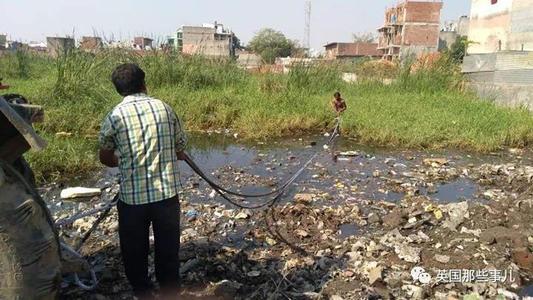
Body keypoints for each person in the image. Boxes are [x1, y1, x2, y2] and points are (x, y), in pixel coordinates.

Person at [99, 63, 187, 299]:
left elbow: (105, 157)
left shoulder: (114, 116)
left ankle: (143, 292)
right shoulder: (165, 109)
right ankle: (170, 291)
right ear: (144, 83)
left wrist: (125, 162)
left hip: (132, 201)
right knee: (168, 250)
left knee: (134, 251)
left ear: (119, 90)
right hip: (166, 198)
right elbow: (180, 149)